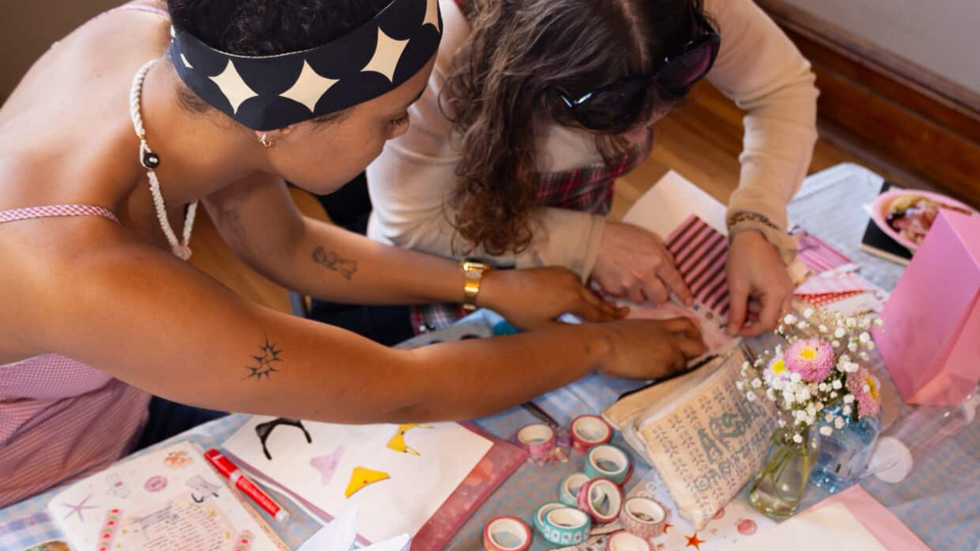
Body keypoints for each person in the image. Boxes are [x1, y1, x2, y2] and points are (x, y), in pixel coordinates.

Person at [0, 0, 706, 507]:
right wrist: (599, 346)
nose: (402, 132)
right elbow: (406, 389)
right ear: (282, 123)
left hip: (117, 399)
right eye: (391, 116)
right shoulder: (83, 273)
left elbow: (290, 247)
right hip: (49, 480)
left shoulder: (157, 49)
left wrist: (485, 286)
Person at [365, 0, 819, 337]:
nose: (638, 141)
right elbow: (412, 221)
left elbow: (781, 87)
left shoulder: (677, 9)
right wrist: (589, 243)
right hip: (442, 274)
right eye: (610, 120)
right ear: (522, 71)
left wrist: (757, 220)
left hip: (563, 260)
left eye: (659, 111)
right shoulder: (436, 50)